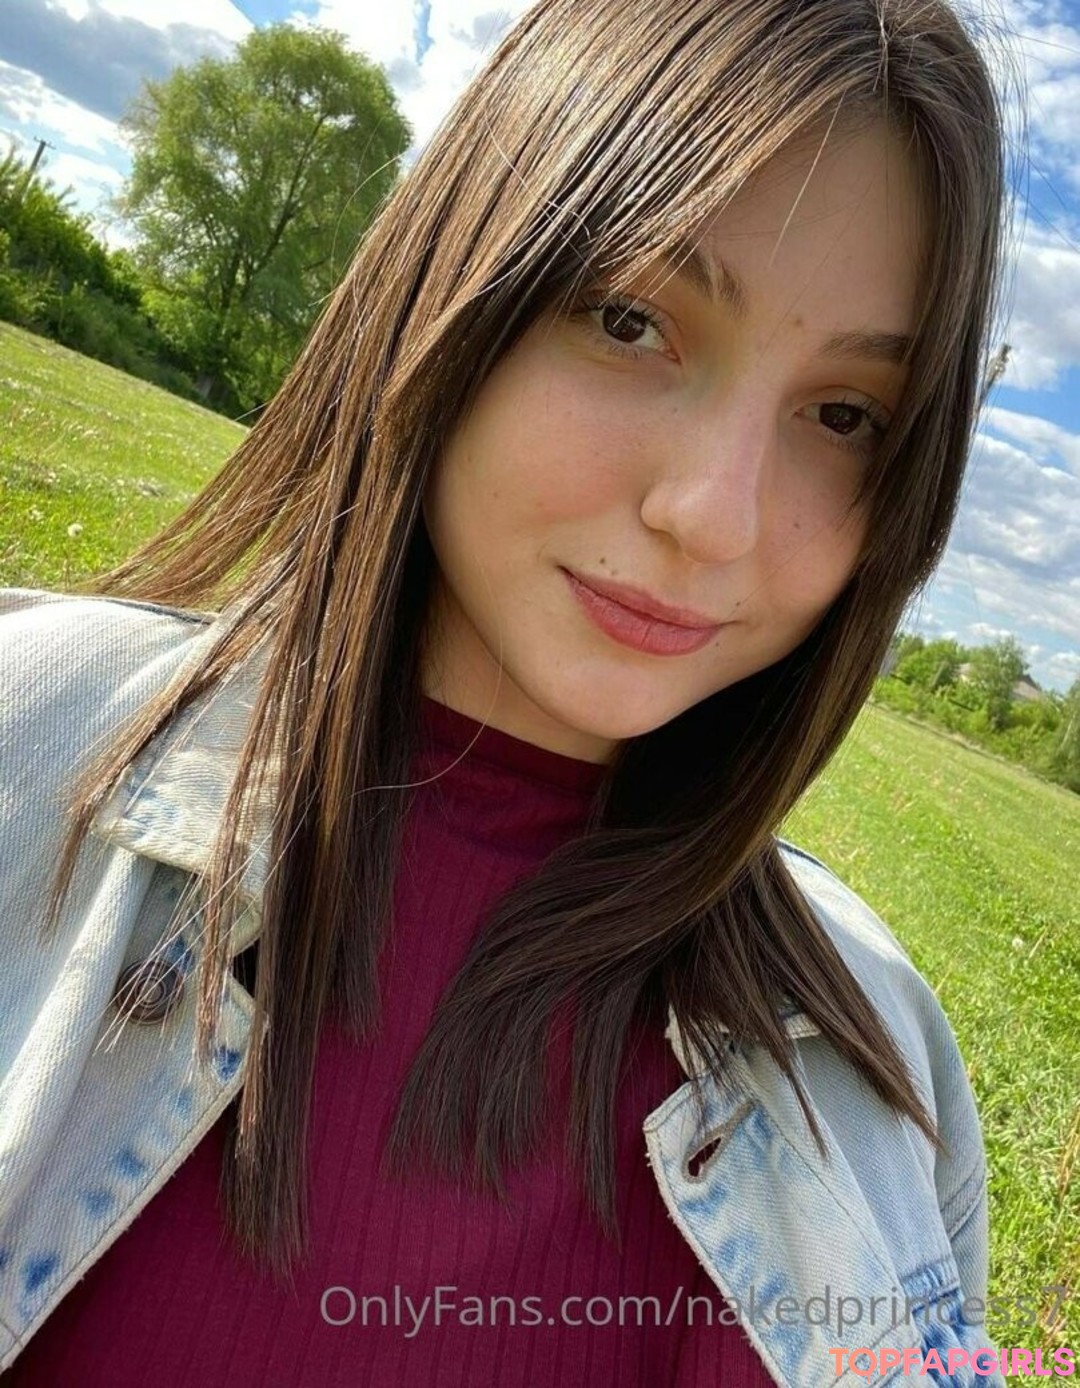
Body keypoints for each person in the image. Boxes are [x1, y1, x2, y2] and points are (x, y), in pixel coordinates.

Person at [0, 0, 1016, 1382]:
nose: (714, 514)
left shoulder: (886, 1054)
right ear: (459, 282)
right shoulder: (32, 744)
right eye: (632, 320)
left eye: (845, 417)